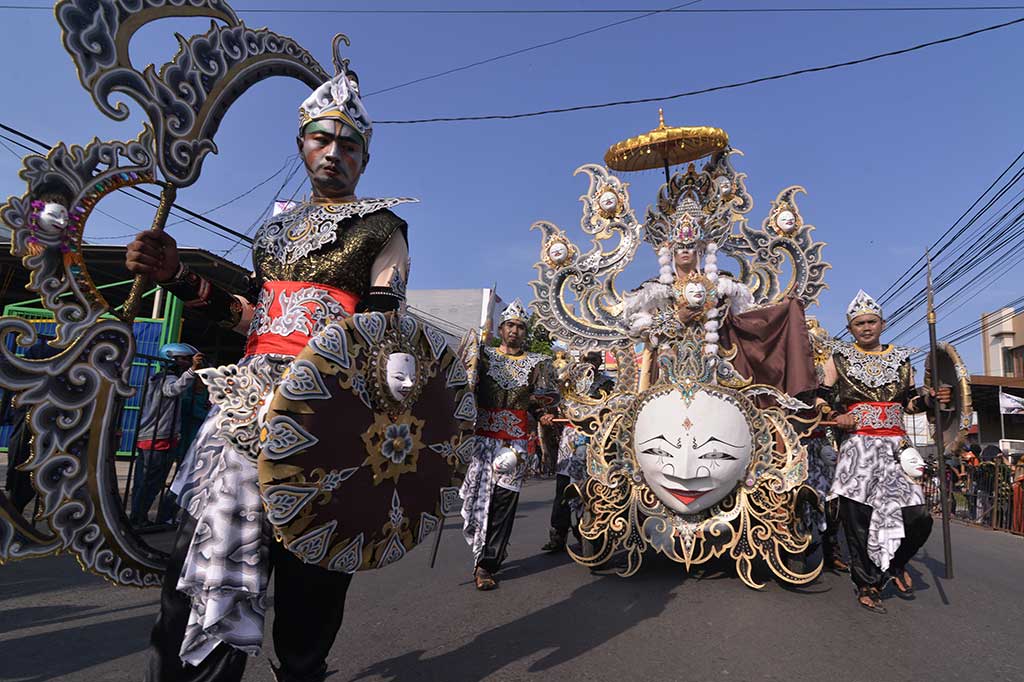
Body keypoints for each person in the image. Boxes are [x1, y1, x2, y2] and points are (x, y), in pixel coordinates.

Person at [125, 59, 412, 682]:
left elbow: (387, 324)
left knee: (312, 583)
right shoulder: (275, 230)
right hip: (243, 410)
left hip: (329, 416)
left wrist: (390, 382)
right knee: (205, 572)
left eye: (349, 144)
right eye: (322, 138)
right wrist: (177, 279)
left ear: (365, 157)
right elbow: (252, 316)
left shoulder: (385, 229)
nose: (334, 152)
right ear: (302, 144)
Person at [825, 291, 950, 614]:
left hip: (896, 446)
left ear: (882, 323)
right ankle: (867, 583)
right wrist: (838, 415)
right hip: (858, 447)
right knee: (858, 518)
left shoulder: (902, 359)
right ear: (850, 328)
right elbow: (821, 397)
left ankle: (895, 561)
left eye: (871, 322)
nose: (866, 328)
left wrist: (930, 399)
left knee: (918, 515)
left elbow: (908, 403)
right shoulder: (837, 357)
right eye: (859, 324)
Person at [460, 300, 557, 590]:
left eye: (520, 327)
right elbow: (466, 391)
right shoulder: (484, 357)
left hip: (514, 444)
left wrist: (544, 416)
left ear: (525, 332)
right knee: (478, 500)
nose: (515, 331)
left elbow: (537, 403)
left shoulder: (536, 364)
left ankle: (487, 564)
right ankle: (478, 552)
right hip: (482, 440)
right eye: (510, 326)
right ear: (501, 329)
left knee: (504, 502)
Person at [541, 351, 613, 553]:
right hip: (570, 438)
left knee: (591, 489)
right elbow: (556, 405)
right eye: (587, 359)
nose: (591, 363)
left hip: (595, 440)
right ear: (582, 359)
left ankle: (588, 533)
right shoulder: (568, 381)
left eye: (595, 359)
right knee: (563, 488)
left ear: (600, 361)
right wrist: (548, 415)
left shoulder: (608, 384)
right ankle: (558, 534)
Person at [130, 343, 202, 525]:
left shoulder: (156, 378)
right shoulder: (166, 379)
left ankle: (138, 517)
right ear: (174, 360)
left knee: (144, 482)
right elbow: (173, 389)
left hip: (155, 436)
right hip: (158, 437)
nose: (187, 363)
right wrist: (192, 371)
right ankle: (138, 519)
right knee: (150, 482)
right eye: (185, 360)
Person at [3, 332, 60, 514]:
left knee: (25, 471)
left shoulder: (41, 349)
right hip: (39, 421)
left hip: (38, 421)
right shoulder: (42, 350)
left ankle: (16, 513)